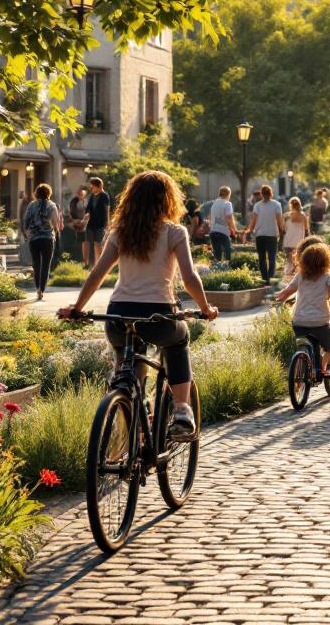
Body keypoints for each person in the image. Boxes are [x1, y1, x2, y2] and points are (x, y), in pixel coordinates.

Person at [61, 170, 218, 443]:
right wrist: (206, 308)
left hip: (119, 314)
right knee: (179, 340)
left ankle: (133, 409)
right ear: (168, 200)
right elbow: (190, 278)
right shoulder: (174, 232)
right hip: (159, 315)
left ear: (131, 200)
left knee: (127, 360)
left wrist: (77, 307)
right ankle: (182, 410)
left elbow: (97, 273)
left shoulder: (120, 232)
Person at [274, 240, 330, 378]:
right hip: (320, 323)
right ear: (327, 261)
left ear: (303, 261)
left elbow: (289, 290)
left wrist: (282, 296)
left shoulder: (300, 276)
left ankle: (303, 361)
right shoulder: (328, 278)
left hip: (299, 322)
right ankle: (323, 368)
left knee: (304, 343)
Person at [23, 184, 64, 301]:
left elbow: (26, 221)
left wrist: (27, 234)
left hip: (34, 239)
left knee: (36, 265)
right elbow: (55, 223)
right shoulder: (52, 205)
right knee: (46, 265)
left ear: (36, 193)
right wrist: (54, 234)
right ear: (49, 193)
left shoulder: (31, 205)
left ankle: (37, 289)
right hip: (47, 239)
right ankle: (42, 289)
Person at [250, 185, 284, 286]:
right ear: (271, 193)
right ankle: (270, 277)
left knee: (262, 258)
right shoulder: (276, 204)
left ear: (261, 194)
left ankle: (264, 278)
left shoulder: (257, 205)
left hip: (260, 234)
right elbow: (279, 220)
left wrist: (251, 230)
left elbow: (254, 220)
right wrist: (281, 230)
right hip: (272, 234)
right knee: (272, 257)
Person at [81, 177, 110, 268]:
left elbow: (107, 210)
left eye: (92, 186)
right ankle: (90, 265)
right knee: (89, 244)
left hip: (100, 224)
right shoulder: (92, 196)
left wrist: (107, 224)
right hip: (91, 224)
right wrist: (86, 215)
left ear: (99, 186)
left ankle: (99, 265)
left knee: (98, 245)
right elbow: (88, 209)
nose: (91, 188)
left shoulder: (104, 196)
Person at [208, 186, 238, 263]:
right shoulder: (227, 203)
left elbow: (213, 218)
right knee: (227, 255)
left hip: (213, 231)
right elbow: (229, 218)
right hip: (223, 232)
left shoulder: (214, 203)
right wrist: (234, 230)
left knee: (217, 256)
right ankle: (227, 271)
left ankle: (216, 272)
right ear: (228, 194)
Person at [282, 197, 311, 277]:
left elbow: (283, 229)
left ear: (290, 205)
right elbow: (306, 229)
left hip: (288, 241)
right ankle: (295, 276)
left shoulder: (287, 216)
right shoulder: (303, 216)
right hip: (299, 241)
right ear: (299, 204)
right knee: (297, 260)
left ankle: (289, 276)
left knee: (289, 260)